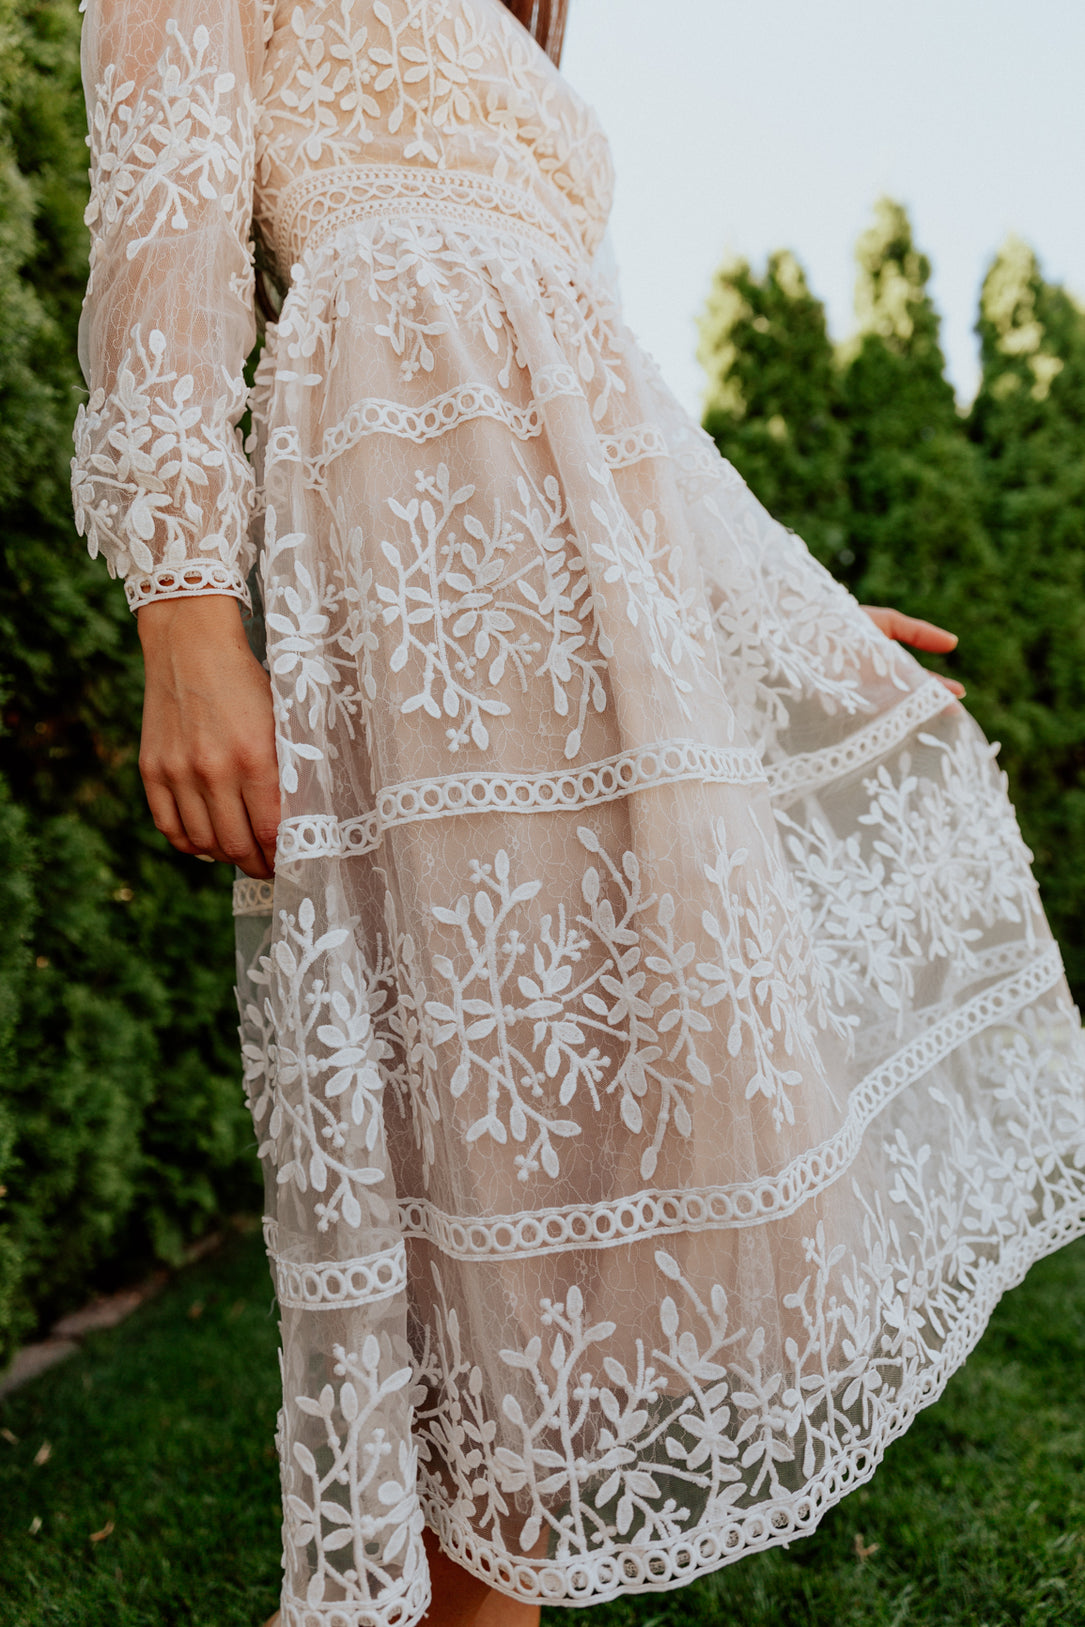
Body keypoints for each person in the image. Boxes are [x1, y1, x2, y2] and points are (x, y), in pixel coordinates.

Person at [70, 1, 1085, 1624]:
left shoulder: (520, 29)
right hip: (427, 567)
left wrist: (788, 618)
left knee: (586, 1245)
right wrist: (183, 615)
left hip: (609, 614)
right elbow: (160, 222)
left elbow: (606, 385)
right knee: (502, 1196)